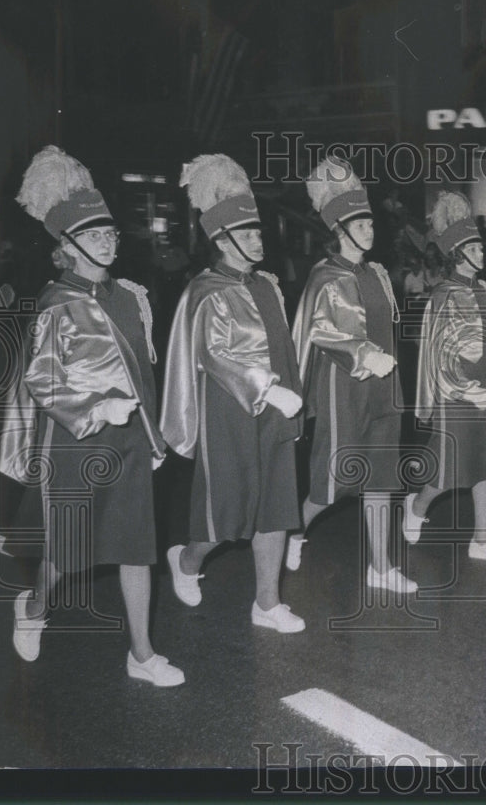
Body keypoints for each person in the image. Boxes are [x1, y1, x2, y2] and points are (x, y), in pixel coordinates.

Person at [1, 146, 184, 686]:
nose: (109, 242)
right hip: (76, 443)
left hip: (130, 442)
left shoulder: (128, 296)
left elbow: (143, 376)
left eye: (111, 234)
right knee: (69, 551)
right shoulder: (57, 303)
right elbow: (42, 380)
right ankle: (33, 608)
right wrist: (96, 406)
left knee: (136, 546)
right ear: (69, 246)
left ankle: (142, 655)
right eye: (96, 235)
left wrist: (151, 440)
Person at [160, 154, 305, 633]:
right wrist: (266, 389)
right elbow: (215, 356)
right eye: (247, 234)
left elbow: (282, 345)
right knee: (228, 514)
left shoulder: (267, 284)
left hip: (277, 411)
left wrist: (293, 396)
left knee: (277, 508)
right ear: (222, 240)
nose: (257, 240)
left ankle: (267, 603)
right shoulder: (206, 290)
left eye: (258, 232)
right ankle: (186, 559)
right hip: (231, 412)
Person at [289, 158, 416, 593]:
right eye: (360, 222)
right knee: (337, 480)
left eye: (369, 221)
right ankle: (293, 530)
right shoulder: (325, 276)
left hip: (384, 386)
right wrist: (363, 354)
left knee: (382, 475)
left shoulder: (377, 273)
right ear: (339, 229)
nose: (369, 228)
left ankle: (380, 567)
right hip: (343, 387)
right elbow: (320, 331)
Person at [403, 192, 486, 561]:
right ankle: (417, 507)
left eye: (482, 248)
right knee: (450, 468)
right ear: (457, 254)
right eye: (476, 249)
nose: (483, 255)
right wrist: (468, 391)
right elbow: (438, 356)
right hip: (459, 395)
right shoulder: (442, 297)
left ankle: (482, 539)